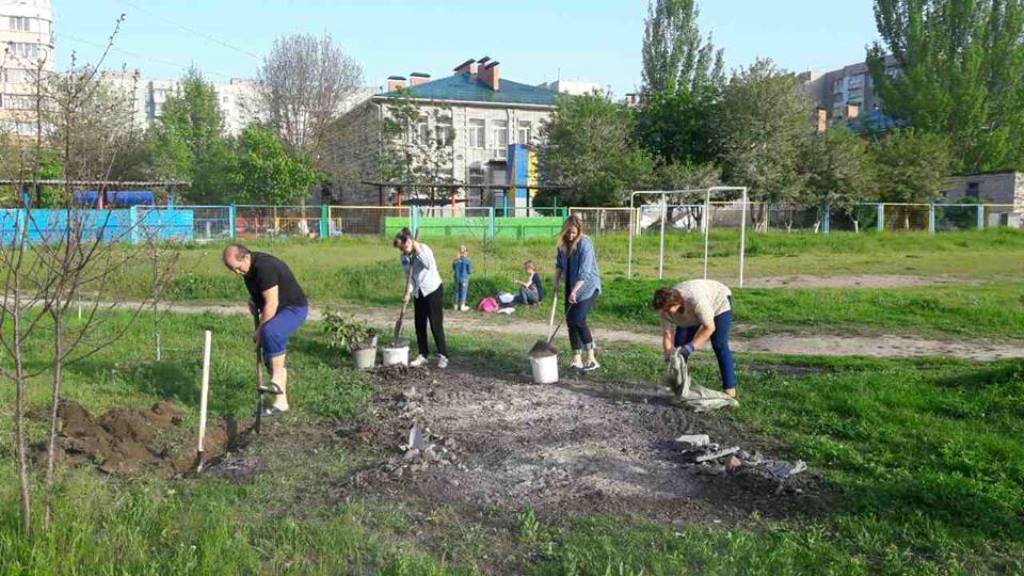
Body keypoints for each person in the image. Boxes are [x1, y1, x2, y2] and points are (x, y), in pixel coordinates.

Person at [222, 243, 308, 415]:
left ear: (246, 257)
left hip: (293, 308)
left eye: (238, 268)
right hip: (278, 310)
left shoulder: (264, 266)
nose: (237, 273)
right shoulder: (248, 270)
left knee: (270, 332)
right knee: (271, 357)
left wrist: (259, 331)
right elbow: (261, 293)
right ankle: (281, 403)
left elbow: (271, 303)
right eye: (233, 270)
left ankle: (276, 380)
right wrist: (253, 300)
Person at [653, 279, 737, 398]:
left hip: (718, 302)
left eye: (667, 310)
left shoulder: (696, 299)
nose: (664, 314)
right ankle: (678, 385)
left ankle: (730, 390)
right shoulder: (664, 310)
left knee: (719, 344)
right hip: (691, 312)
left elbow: (709, 328)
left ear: (675, 303)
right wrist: (669, 357)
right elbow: (667, 334)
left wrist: (690, 347)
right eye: (662, 311)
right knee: (678, 349)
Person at [394, 228, 448, 368]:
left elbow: (429, 265)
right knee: (419, 325)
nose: (403, 251)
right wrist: (408, 292)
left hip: (432, 290)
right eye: (401, 249)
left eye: (405, 247)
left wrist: (417, 251)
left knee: (435, 324)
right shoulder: (404, 257)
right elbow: (409, 277)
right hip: (419, 292)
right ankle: (423, 354)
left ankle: (443, 355)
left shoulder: (424, 249)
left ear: (411, 241)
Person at [553, 215, 601, 371]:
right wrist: (555, 284)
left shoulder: (585, 243)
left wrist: (575, 291)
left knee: (578, 319)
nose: (571, 236)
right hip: (570, 284)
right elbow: (559, 265)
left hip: (587, 287)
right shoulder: (562, 245)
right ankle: (576, 358)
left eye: (574, 233)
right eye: (568, 233)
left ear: (579, 231)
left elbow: (585, 272)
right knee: (570, 322)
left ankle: (592, 358)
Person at [452, 245, 472, 312]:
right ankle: (462, 305)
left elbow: (453, 268)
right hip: (464, 278)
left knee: (456, 291)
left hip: (456, 278)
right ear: (466, 252)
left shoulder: (455, 260)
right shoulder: (468, 260)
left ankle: (455, 305)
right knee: (463, 292)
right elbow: (469, 270)